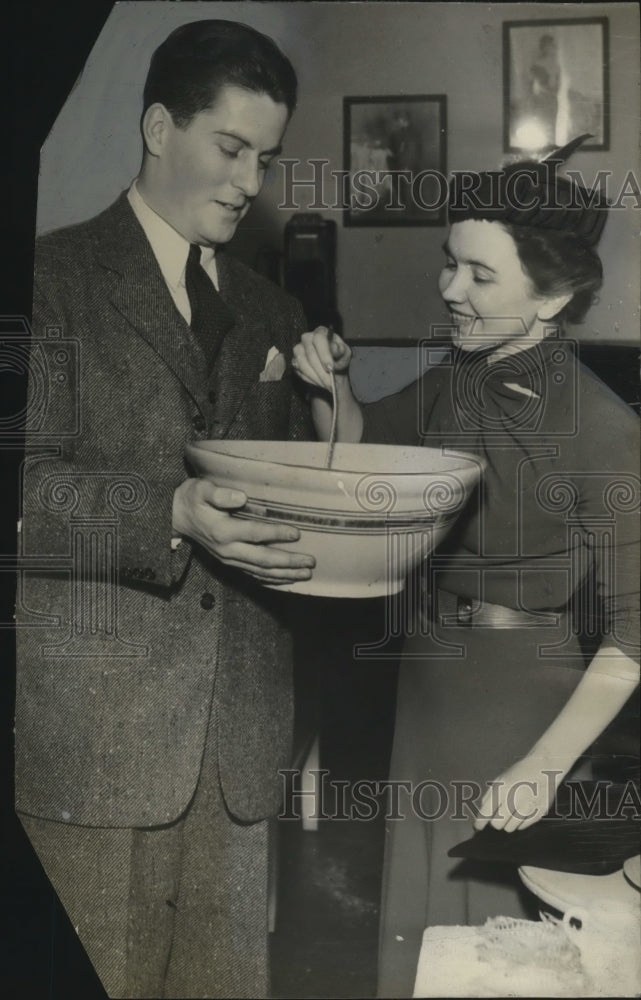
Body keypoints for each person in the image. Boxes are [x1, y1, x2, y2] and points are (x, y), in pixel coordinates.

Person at [293, 139, 640, 997]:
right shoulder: (457, 378)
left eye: (480, 277)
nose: (449, 289)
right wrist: (328, 387)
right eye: (450, 264)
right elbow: (362, 453)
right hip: (429, 690)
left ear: (552, 295)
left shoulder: (602, 427)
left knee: (496, 952)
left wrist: (547, 764)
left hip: (523, 710)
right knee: (420, 936)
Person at [16, 19, 315, 999]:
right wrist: (173, 510)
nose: (248, 181)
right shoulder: (49, 283)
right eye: (229, 148)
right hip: (95, 752)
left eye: (264, 159)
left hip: (237, 753)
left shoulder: (273, 315)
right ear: (157, 127)